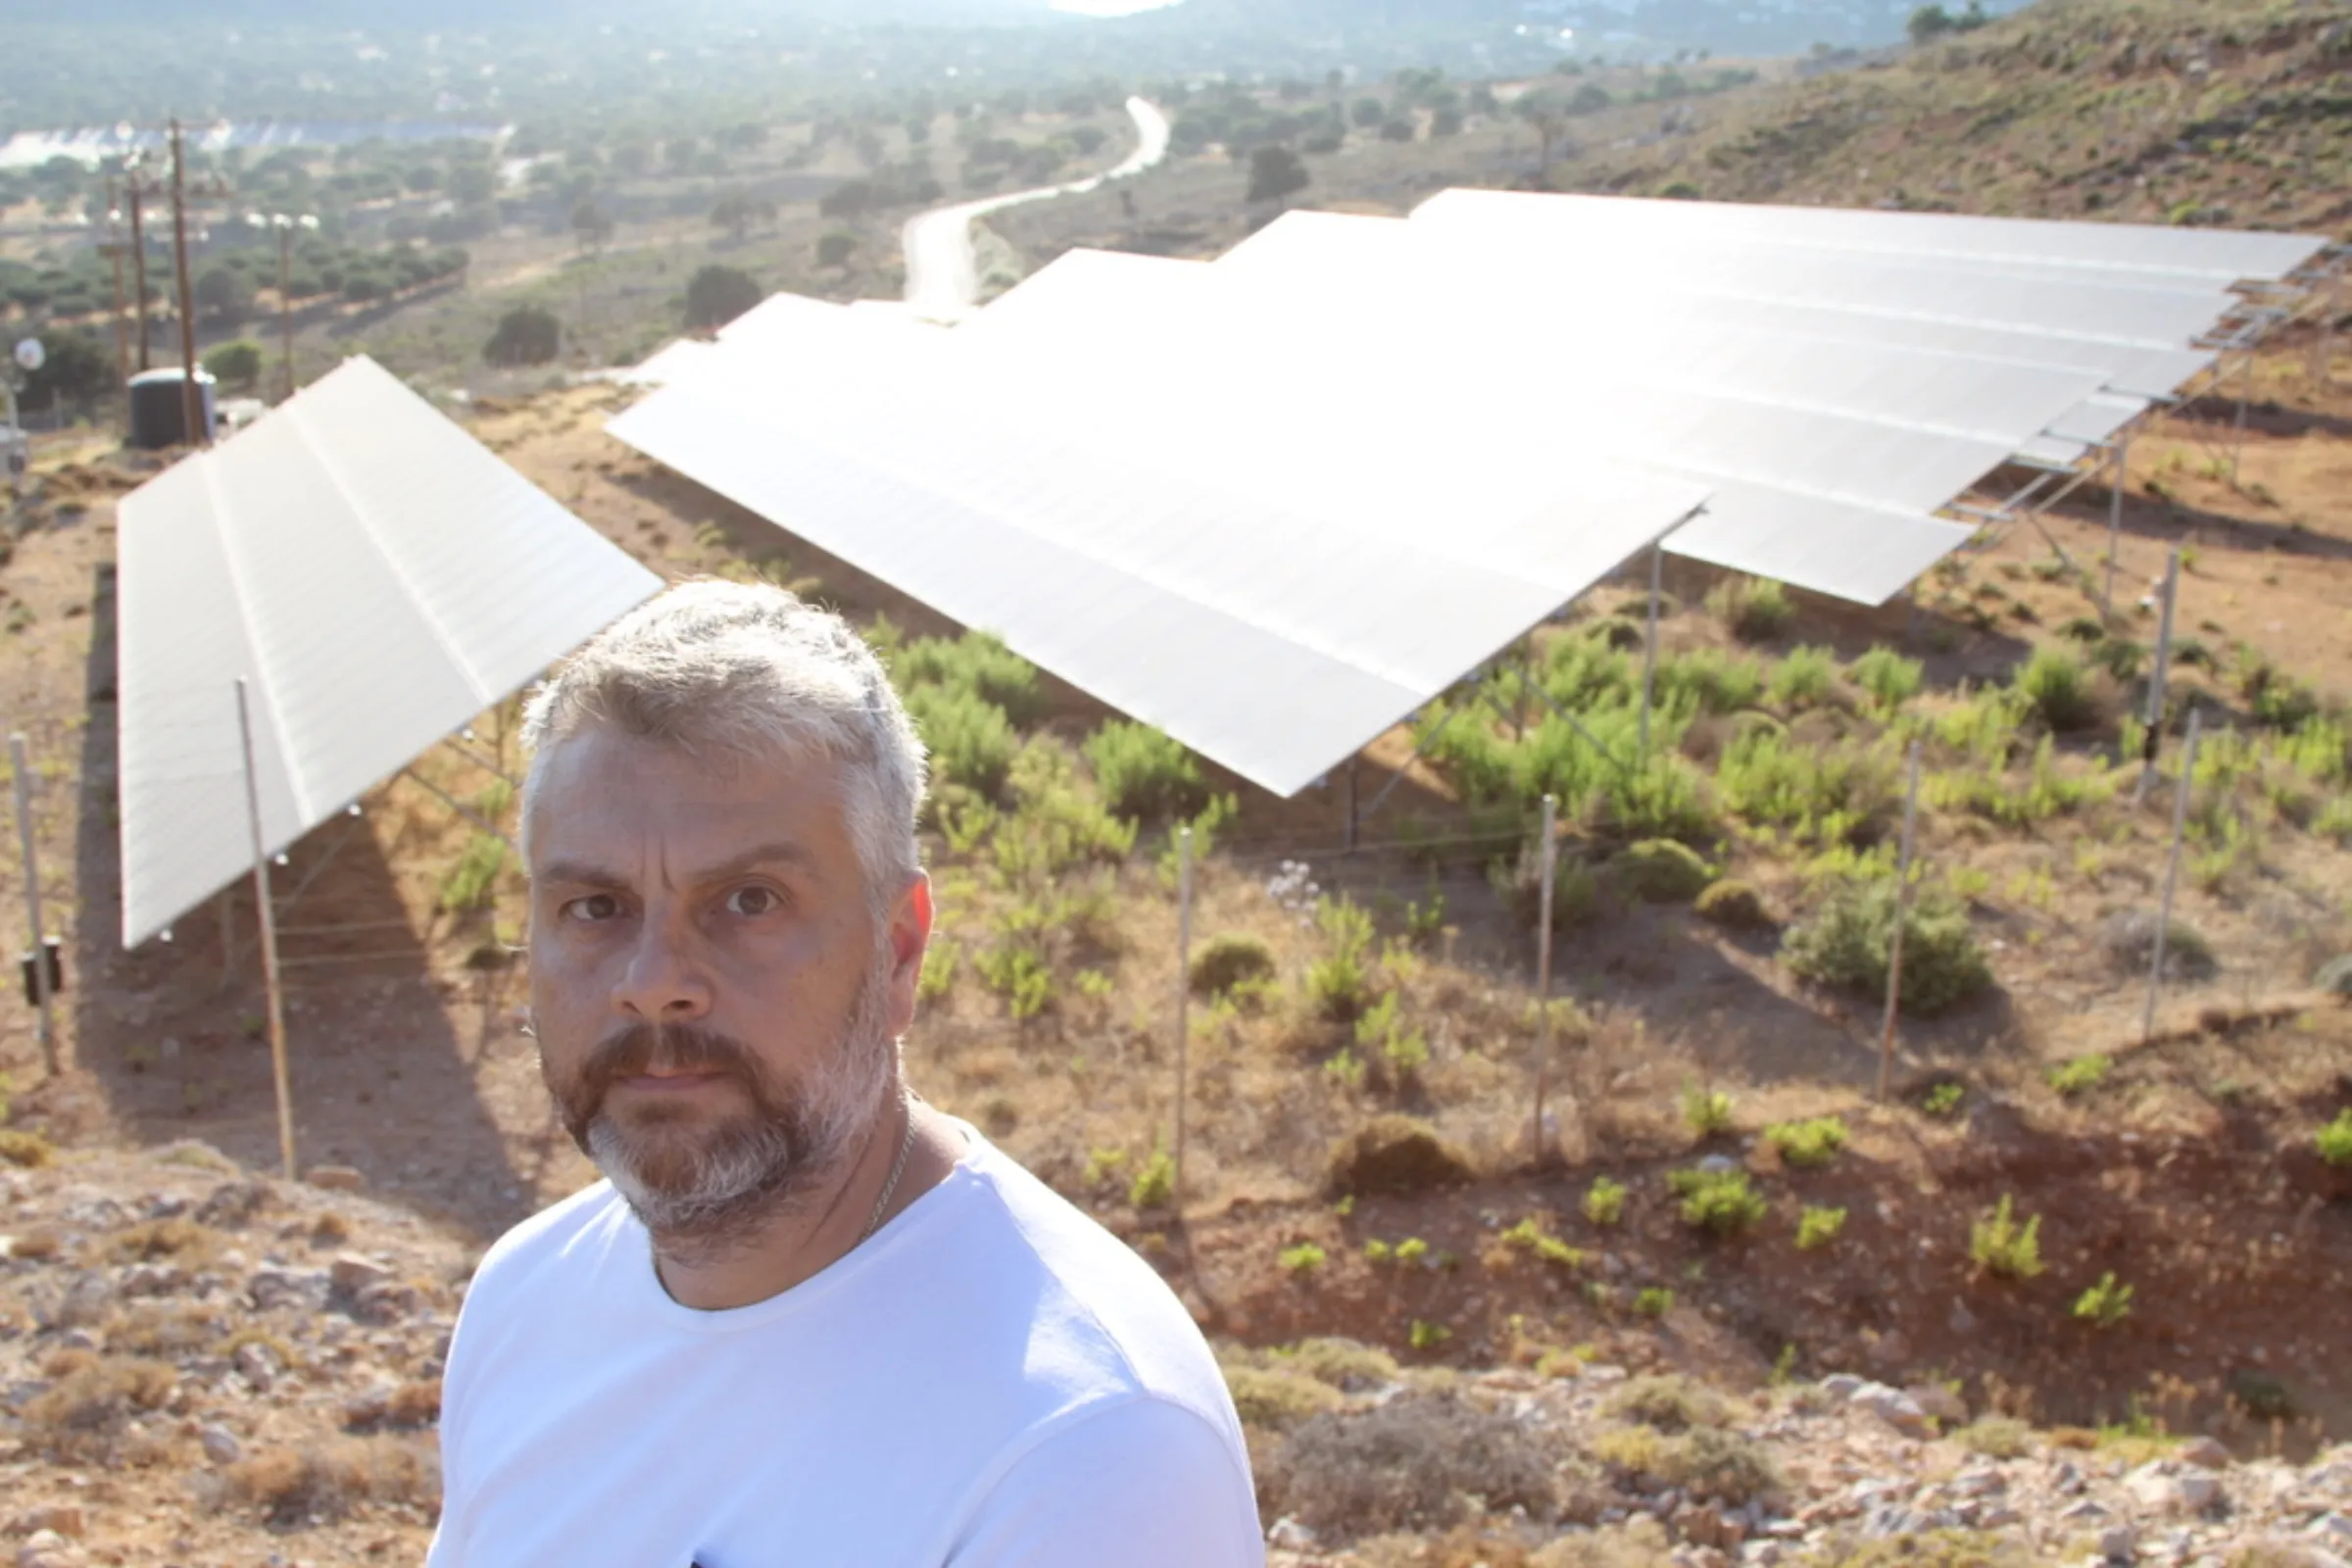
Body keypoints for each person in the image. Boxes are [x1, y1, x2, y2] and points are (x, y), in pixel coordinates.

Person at [427, 581, 1262, 1566]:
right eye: (595, 906)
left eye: (747, 900)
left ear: (898, 952)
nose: (654, 984)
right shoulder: (523, 1303)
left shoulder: (1087, 1447)